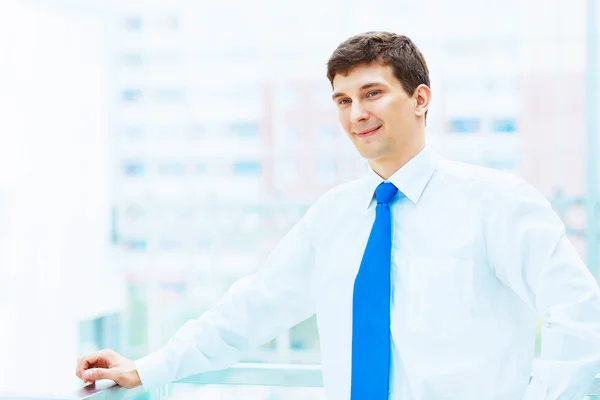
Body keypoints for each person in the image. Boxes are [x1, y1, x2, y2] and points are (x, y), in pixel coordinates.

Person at [76, 31, 600, 399]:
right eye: (342, 100)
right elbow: (250, 310)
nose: (357, 114)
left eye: (373, 93)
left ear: (420, 99)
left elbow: (581, 317)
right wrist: (148, 368)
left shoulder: (498, 203)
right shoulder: (334, 217)